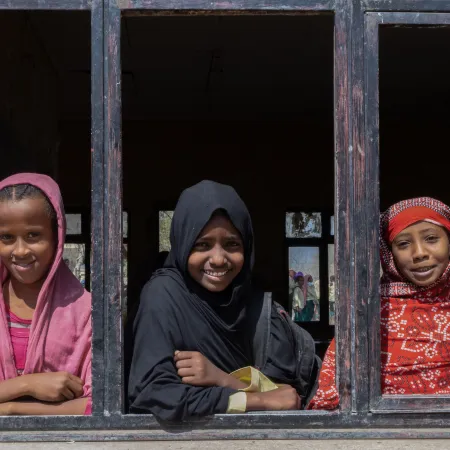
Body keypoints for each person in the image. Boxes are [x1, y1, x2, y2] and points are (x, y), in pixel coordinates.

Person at [128, 180, 319, 421]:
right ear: (183, 244)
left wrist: (221, 379)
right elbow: (153, 395)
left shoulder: (260, 308)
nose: (218, 259)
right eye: (202, 245)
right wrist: (253, 399)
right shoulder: (164, 297)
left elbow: (287, 399)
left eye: (231, 244)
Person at [308, 197, 450, 409]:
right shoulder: (369, 312)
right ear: (389, 253)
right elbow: (331, 396)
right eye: (403, 244)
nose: (420, 253)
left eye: (431, 238)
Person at [0, 173, 92, 416]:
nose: (19, 250)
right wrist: (26, 385)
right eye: (6, 237)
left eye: (33, 235)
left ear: (57, 236)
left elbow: (99, 406)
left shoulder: (87, 313)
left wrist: (13, 409)